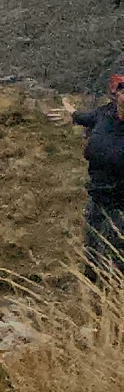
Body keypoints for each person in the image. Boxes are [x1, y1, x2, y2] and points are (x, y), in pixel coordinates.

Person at [78, 68, 124, 280]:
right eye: (121, 91)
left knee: (114, 263)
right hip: (97, 199)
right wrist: (70, 115)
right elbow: (83, 117)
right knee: (92, 258)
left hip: (120, 204)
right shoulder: (104, 115)